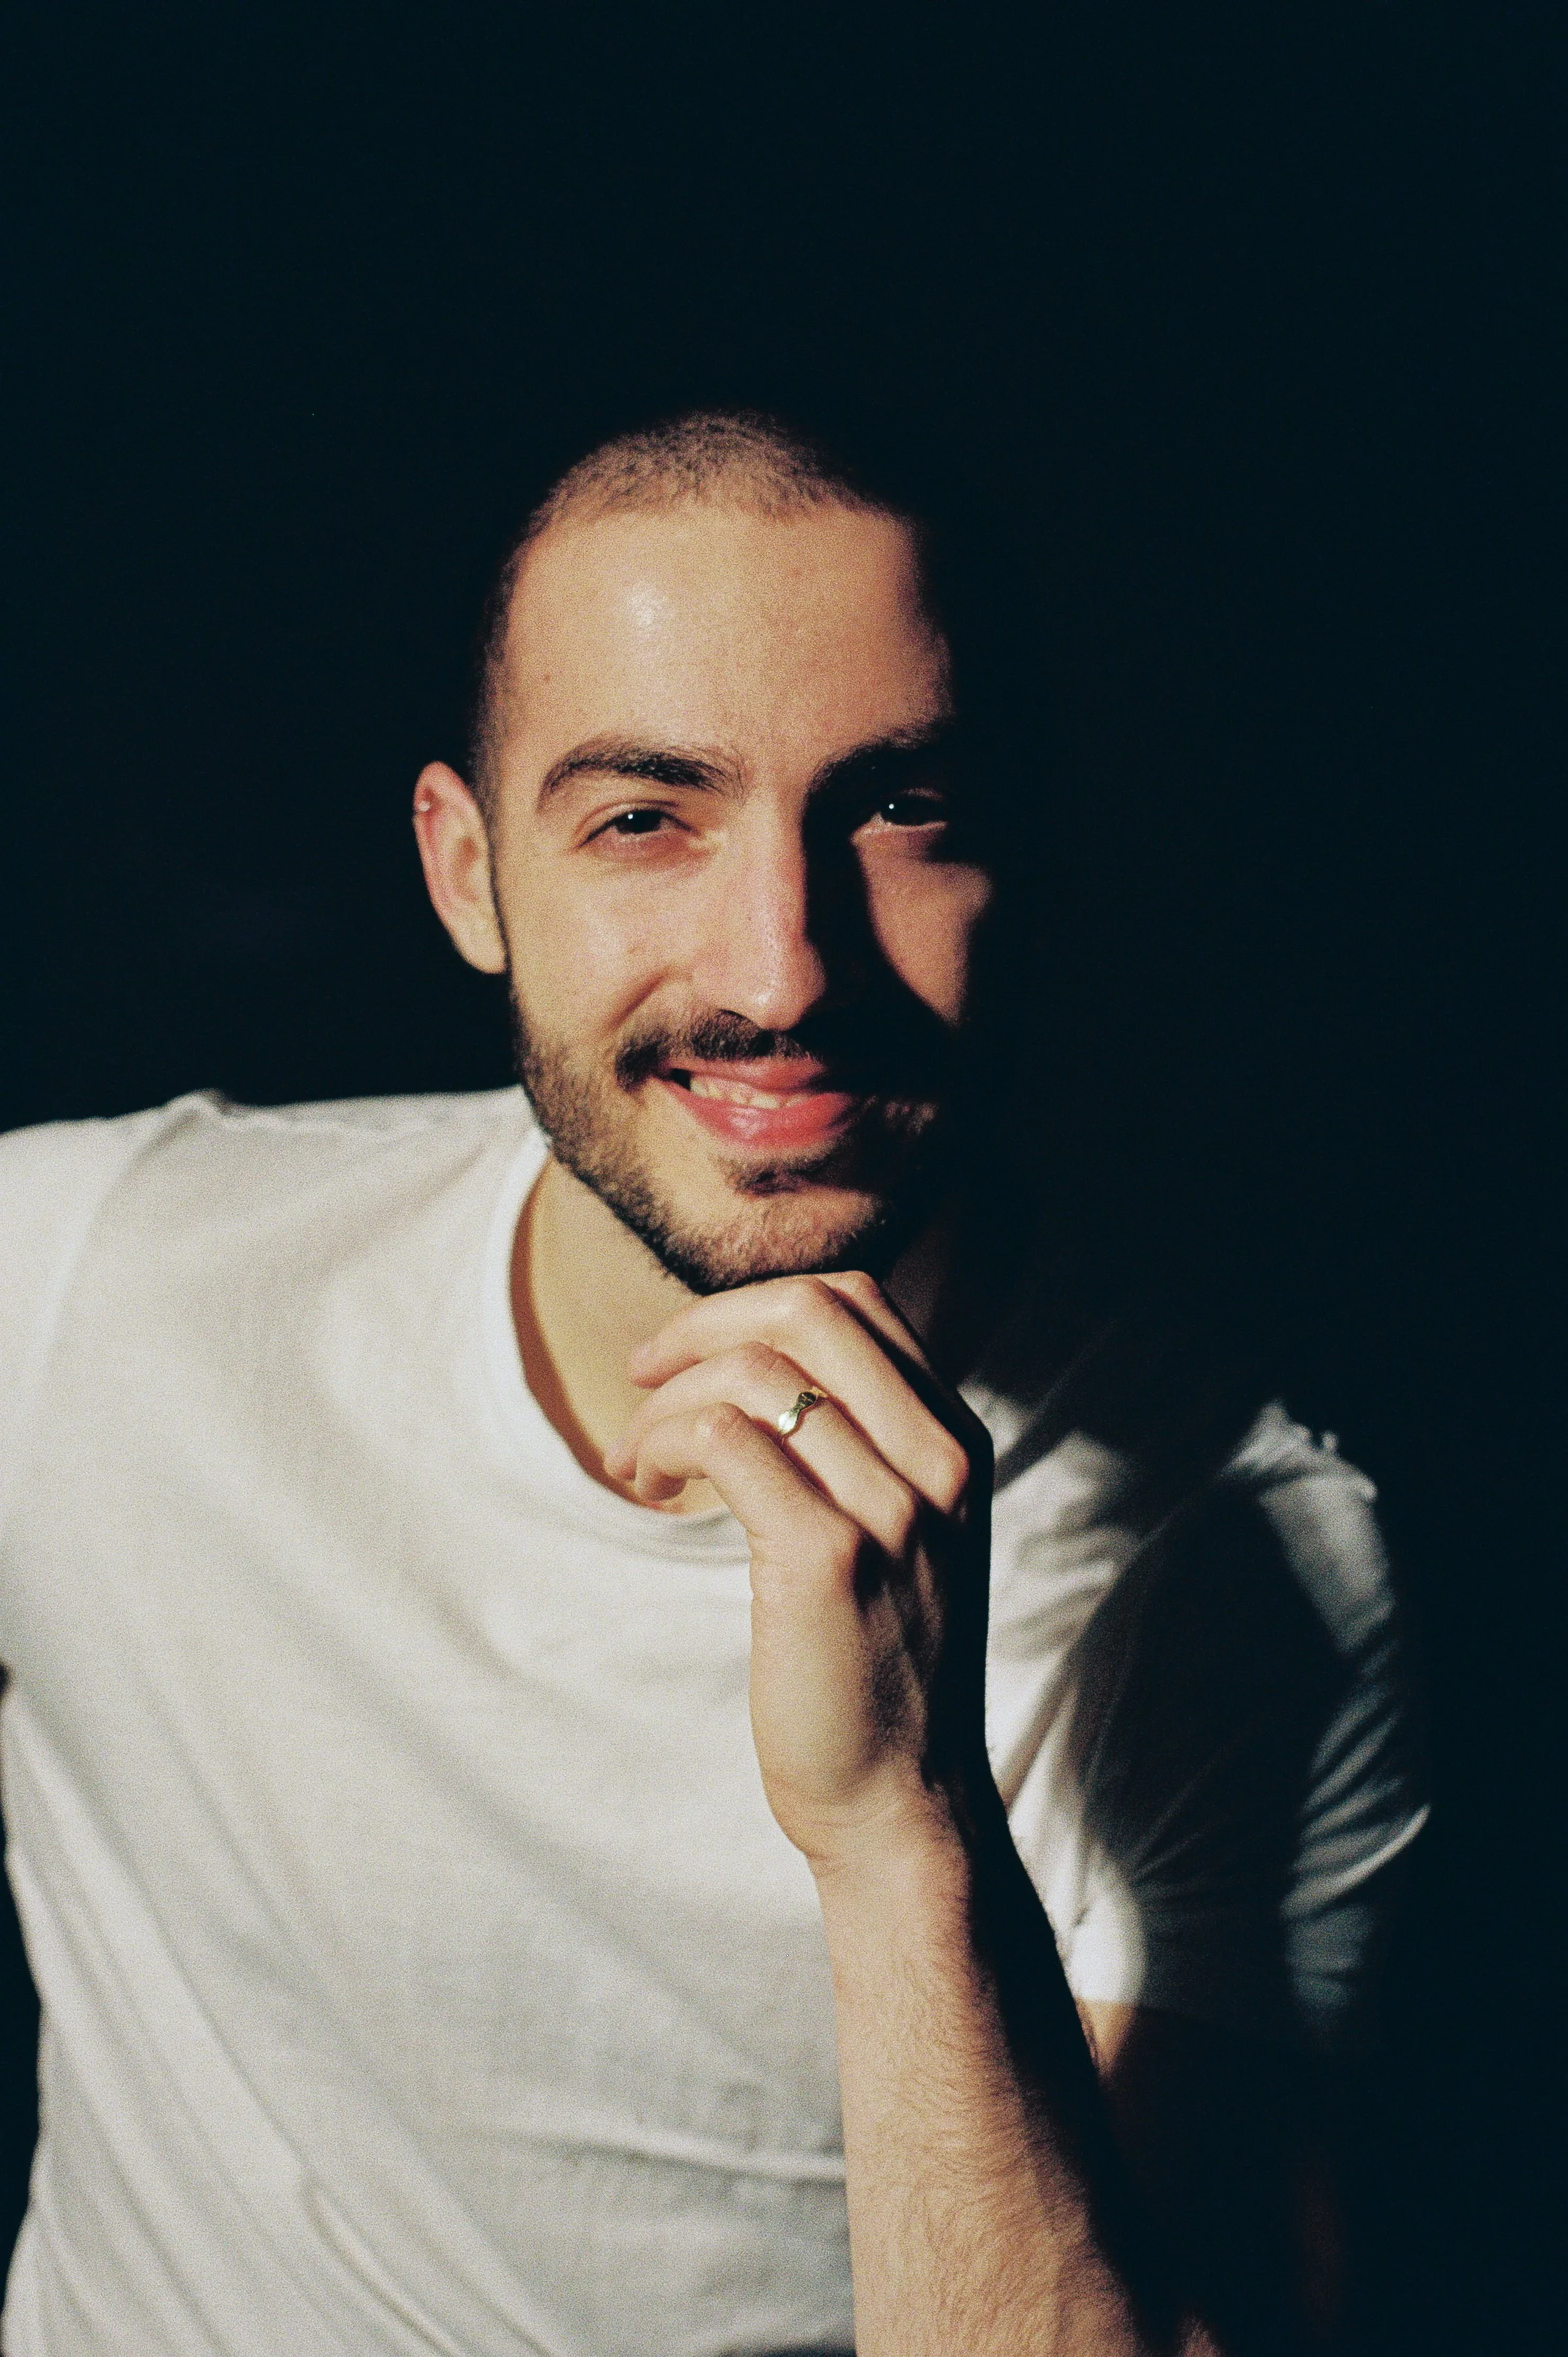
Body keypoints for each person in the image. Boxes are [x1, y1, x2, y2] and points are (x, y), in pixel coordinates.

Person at [0, 411, 1424, 2356]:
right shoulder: (89, 1276)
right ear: (467, 869)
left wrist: (900, 1832)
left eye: (901, 810)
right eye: (645, 818)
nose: (782, 967)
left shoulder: (1247, 1561)